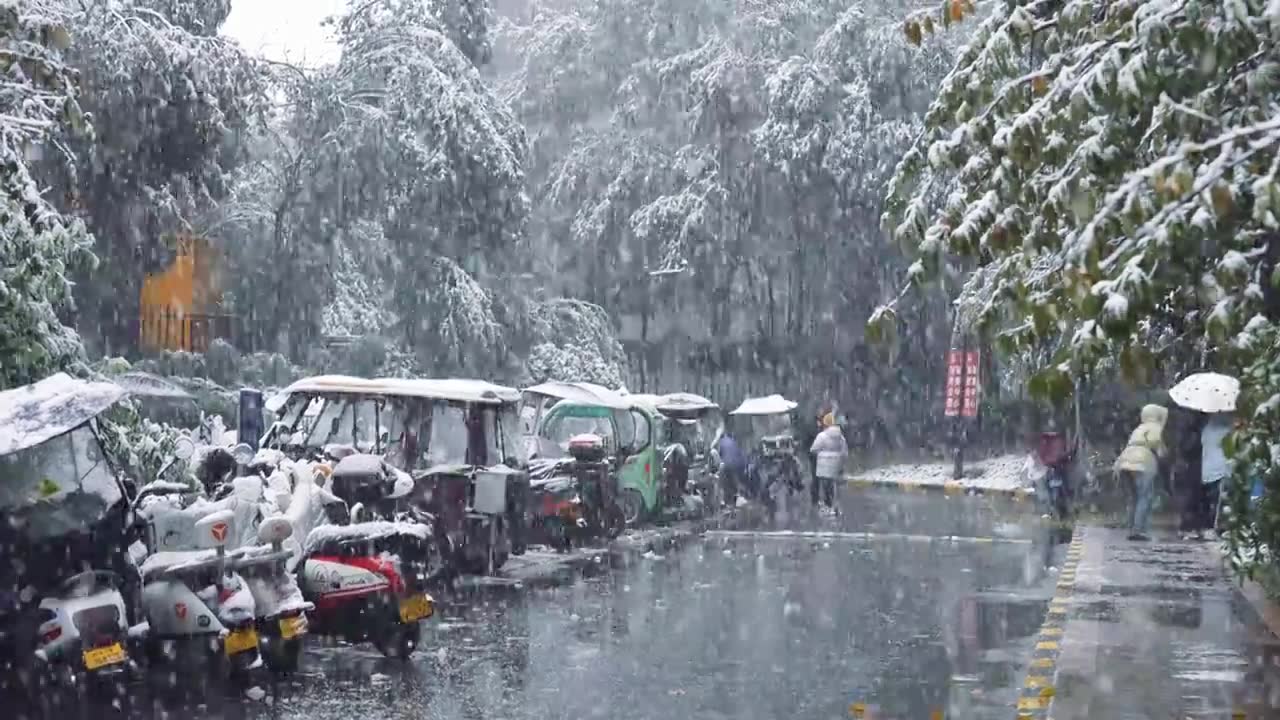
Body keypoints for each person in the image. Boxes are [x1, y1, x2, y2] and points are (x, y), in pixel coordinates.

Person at [1113, 403, 1168, 541]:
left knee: (1133, 498)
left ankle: (1131, 527)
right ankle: (1139, 530)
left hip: (1125, 460)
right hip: (1143, 462)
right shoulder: (1155, 427)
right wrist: (1163, 451)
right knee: (1145, 496)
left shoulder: (1139, 428)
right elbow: (1157, 446)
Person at [1192, 412, 1232, 539]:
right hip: (1221, 469)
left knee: (1208, 501)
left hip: (1207, 470)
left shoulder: (1206, 430)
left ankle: (1205, 527)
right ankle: (1213, 528)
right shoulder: (1226, 431)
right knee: (1218, 502)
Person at [810, 412, 849, 512]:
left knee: (825, 484)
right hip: (836, 464)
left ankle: (827, 505)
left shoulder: (821, 436)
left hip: (824, 464)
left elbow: (813, 449)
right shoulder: (840, 436)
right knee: (833, 484)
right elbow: (844, 452)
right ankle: (833, 504)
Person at [715, 426, 749, 505]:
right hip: (740, 464)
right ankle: (742, 496)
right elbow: (740, 453)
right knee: (737, 481)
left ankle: (728, 500)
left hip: (729, 465)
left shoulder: (721, 442)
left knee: (726, 482)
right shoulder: (733, 441)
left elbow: (719, 456)